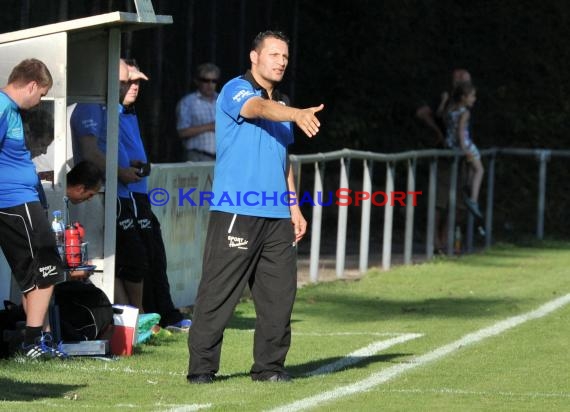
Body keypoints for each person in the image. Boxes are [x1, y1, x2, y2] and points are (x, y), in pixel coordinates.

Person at [187, 30, 324, 384]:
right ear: (254, 56)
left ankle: (269, 368)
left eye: (285, 57)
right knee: (218, 293)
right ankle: (201, 370)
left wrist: (294, 207)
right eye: (274, 54)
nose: (281, 61)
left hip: (278, 216)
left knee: (279, 298)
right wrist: (294, 114)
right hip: (237, 211)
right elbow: (258, 108)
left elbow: (284, 160)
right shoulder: (235, 89)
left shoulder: (283, 102)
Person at [70, 59, 191, 331]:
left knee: (143, 257)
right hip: (110, 195)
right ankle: (138, 321)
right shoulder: (92, 106)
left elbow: (116, 149)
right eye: (125, 81)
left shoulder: (113, 107)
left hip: (126, 194)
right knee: (127, 260)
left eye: (132, 81)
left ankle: (143, 320)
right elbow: (90, 153)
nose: (129, 87)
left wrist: (129, 168)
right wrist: (121, 173)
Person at [0, 58, 67, 359]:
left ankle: (41, 340)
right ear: (30, 85)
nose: (40, 100)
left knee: (32, 276)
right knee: (48, 269)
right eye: (41, 93)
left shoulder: (11, 111)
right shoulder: (2, 107)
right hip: (14, 201)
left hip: (22, 201)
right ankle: (33, 342)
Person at [415, 69, 472, 253]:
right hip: (445, 156)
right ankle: (436, 242)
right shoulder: (446, 100)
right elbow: (423, 113)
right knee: (439, 201)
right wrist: (438, 132)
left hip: (460, 157)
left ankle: (447, 240)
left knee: (457, 202)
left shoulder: (463, 105)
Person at [445, 82, 484, 219]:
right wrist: (464, 149)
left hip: (451, 145)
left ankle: (468, 187)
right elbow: (461, 131)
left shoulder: (450, 108)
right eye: (472, 96)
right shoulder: (465, 113)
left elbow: (441, 116)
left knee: (470, 169)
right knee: (479, 169)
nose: (474, 99)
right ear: (463, 97)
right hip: (465, 145)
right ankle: (473, 199)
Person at [176, 62, 220, 161]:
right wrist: (210, 126)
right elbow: (182, 132)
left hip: (222, 158)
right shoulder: (187, 103)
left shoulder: (223, 101)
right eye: (205, 80)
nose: (210, 84)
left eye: (214, 81)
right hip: (196, 156)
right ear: (197, 81)